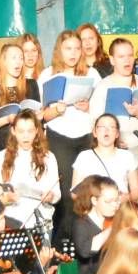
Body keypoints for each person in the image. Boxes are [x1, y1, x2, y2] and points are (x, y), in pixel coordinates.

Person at [39, 30, 101, 239]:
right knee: (66, 192)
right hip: (59, 137)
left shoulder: (91, 74)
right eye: (68, 48)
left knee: (87, 189)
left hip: (86, 137)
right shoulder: (48, 75)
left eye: (77, 48)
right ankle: (64, 240)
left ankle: (86, 237)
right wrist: (57, 110)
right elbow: (42, 115)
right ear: (59, 50)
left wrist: (88, 107)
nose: (73, 53)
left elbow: (101, 110)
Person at [0, 111, 62, 229]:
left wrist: (50, 196)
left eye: (30, 131)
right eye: (21, 131)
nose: (26, 136)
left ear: (37, 131)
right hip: (11, 220)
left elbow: (56, 193)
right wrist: (7, 197)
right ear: (13, 131)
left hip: (40, 221)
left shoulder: (48, 157)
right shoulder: (1, 157)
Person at [96, 36, 138, 171]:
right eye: (121, 56)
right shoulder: (103, 86)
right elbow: (94, 121)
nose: (127, 60)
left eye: (130, 55)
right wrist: (112, 139)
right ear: (112, 60)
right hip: (113, 149)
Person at [0, 41, 40, 160]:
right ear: (4, 61)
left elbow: (37, 119)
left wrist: (39, 116)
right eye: (14, 58)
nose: (18, 62)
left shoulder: (31, 85)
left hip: (28, 146)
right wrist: (7, 119)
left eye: (21, 58)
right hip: (2, 146)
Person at [73, 113, 138, 198]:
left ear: (117, 133)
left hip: (120, 204)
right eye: (102, 127)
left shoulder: (127, 156)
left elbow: (136, 190)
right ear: (94, 132)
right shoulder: (84, 157)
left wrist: (124, 198)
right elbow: (74, 193)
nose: (106, 131)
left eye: (111, 127)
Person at [70, 175, 122, 274]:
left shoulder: (116, 220)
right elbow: (84, 251)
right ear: (94, 200)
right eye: (108, 201)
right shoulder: (81, 224)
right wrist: (112, 229)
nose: (115, 205)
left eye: (117, 200)